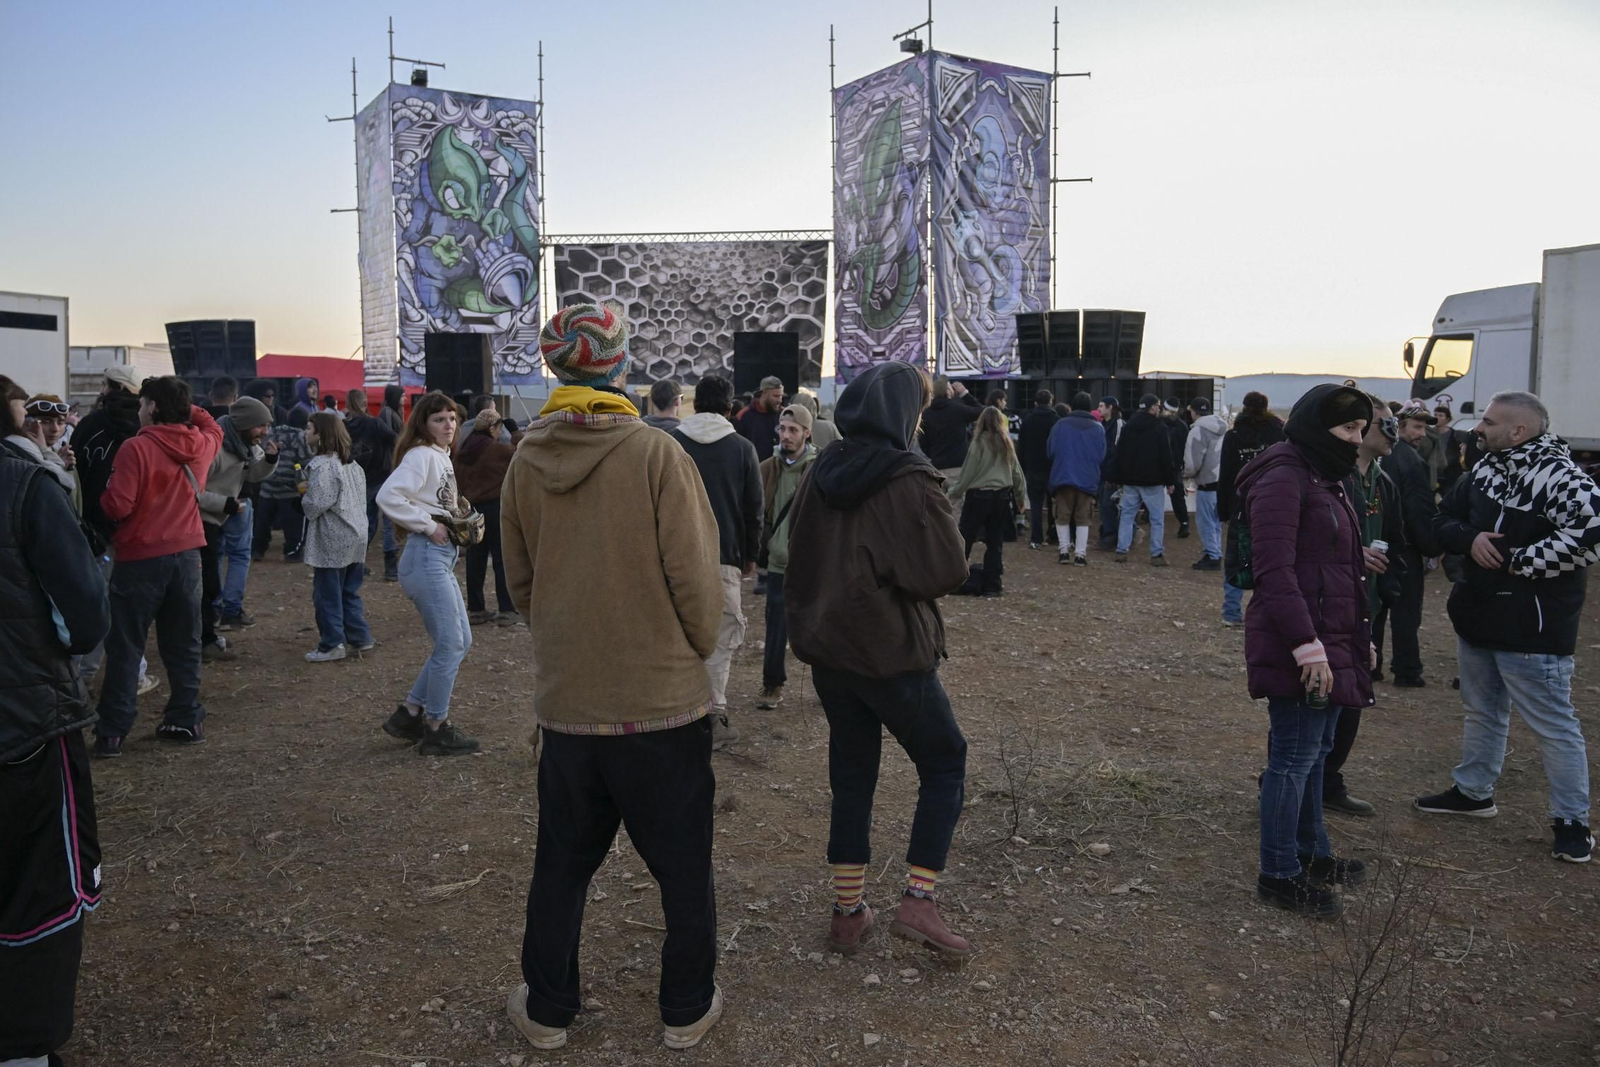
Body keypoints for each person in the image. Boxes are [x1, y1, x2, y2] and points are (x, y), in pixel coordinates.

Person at [499, 301, 725, 1052]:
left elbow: (521, 582)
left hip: (570, 707)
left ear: (557, 367)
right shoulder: (657, 455)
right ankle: (686, 1008)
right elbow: (697, 580)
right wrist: (694, 654)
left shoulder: (525, 459)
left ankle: (547, 1008)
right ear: (619, 365)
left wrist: (569, 642)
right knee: (683, 865)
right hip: (662, 706)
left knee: (561, 863)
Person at [783, 361, 973, 956]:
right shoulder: (909, 478)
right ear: (904, 414)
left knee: (852, 773)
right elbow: (945, 571)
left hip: (831, 652)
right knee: (944, 762)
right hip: (891, 655)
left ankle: (847, 912)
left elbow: (800, 554)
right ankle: (918, 902)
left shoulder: (820, 470)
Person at [1416, 391, 1598, 863]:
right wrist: (1470, 537)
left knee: (1555, 727)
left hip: (1533, 629)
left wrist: (1519, 562)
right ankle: (1473, 793)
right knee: (1483, 712)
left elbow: (1590, 535)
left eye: (1490, 424)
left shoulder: (1562, 478)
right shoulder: (1483, 471)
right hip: (1478, 617)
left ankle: (1572, 822)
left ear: (1519, 431)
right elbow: (1443, 519)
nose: (1478, 429)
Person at [0, 399, 110, 1067]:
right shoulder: (24, 484)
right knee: (38, 886)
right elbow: (84, 616)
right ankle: (21, 1049)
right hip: (23, 726)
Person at [1237, 384, 1374, 917]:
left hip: (1331, 637)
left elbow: (1341, 568)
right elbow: (1275, 571)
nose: (1356, 440)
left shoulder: (1326, 475)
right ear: (1319, 427)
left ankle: (1312, 853)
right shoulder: (1283, 477)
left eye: (1362, 430)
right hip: (1302, 640)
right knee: (1292, 758)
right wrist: (1306, 646)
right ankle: (1278, 872)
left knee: (1315, 756)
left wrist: (1357, 645)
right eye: (1347, 430)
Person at [92, 376, 224, 755]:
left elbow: (118, 506)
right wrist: (187, 408)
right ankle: (185, 719)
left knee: (126, 646)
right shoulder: (200, 445)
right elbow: (212, 425)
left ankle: (113, 731)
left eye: (141, 404)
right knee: (184, 644)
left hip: (140, 558)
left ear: (150, 406)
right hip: (186, 557)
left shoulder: (135, 448)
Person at [375, 392, 481, 756]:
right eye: (439, 419)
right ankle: (436, 727)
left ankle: (409, 712)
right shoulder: (421, 455)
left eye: (452, 418)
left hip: (438, 558)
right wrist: (426, 525)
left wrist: (456, 514)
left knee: (460, 641)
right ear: (423, 423)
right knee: (451, 644)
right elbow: (388, 496)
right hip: (426, 558)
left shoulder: (440, 456)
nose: (448, 425)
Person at [671, 375, 762, 749]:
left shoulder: (671, 444)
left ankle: (675, 713)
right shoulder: (742, 448)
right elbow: (753, 509)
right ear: (730, 407)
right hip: (725, 557)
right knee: (721, 638)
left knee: (676, 634)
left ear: (693, 405)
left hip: (674, 557)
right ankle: (713, 713)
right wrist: (750, 556)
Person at [1325, 399, 1405, 817]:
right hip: (1329, 605)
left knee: (1354, 694)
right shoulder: (1327, 478)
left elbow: (1397, 538)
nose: (1394, 431)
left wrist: (1389, 586)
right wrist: (1354, 555)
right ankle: (1290, 779)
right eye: (1385, 424)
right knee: (1316, 696)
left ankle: (1328, 778)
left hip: (1366, 605)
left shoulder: (1380, 480)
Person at [72, 368, 160, 694]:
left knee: (96, 604)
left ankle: (82, 677)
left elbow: (78, 478)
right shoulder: (148, 429)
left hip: (95, 533)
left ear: (111, 387)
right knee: (130, 611)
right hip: (140, 533)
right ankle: (134, 674)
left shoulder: (90, 426)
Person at [198, 396, 278, 656]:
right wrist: (225, 504)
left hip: (220, 515)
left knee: (211, 581)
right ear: (243, 424)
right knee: (205, 584)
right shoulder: (214, 449)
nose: (265, 432)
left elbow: (252, 472)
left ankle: (208, 634)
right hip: (200, 522)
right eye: (260, 426)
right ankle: (204, 640)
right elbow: (191, 491)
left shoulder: (244, 444)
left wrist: (269, 460)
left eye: (267, 426)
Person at [756, 403, 818, 708]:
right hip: (779, 562)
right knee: (776, 627)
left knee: (819, 626)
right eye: (782, 428)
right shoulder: (769, 466)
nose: (786, 435)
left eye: (793, 430)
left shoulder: (818, 469)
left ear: (807, 433)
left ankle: (827, 686)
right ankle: (772, 684)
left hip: (811, 564)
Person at [300, 412, 373, 663]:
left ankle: (332, 644)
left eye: (309, 428)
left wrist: (303, 498)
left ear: (321, 434)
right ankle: (360, 637)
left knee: (327, 593)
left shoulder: (322, 466)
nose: (305, 432)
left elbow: (317, 503)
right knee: (348, 591)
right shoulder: (352, 465)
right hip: (356, 533)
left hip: (334, 538)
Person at [1383, 403, 1441, 686]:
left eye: (1424, 427)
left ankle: (1370, 665)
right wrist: (1431, 546)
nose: (1422, 433)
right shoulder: (1411, 461)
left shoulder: (1380, 456)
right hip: (1405, 548)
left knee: (1375, 608)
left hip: (1378, 545)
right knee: (1406, 612)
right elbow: (1419, 510)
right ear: (1399, 426)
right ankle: (1406, 669)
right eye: (1417, 427)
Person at [1220, 392, 1285, 625]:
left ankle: (1231, 612)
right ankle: (1268, 613)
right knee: (1272, 557)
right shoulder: (1278, 434)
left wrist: (1223, 509)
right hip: (1274, 503)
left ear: (1244, 407)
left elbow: (1226, 475)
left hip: (1240, 504)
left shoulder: (1233, 436)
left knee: (1236, 557)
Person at [947, 406, 1025, 595]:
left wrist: (954, 491)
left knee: (965, 538)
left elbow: (968, 472)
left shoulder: (978, 443)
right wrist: (1020, 497)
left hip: (979, 494)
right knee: (995, 540)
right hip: (1002, 495)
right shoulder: (1007, 443)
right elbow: (1017, 473)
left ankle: (956, 580)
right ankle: (993, 584)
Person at [453, 405, 520, 626]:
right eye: (500, 427)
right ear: (493, 427)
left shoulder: (463, 452)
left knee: (475, 559)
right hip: (495, 508)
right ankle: (506, 609)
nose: (501, 432)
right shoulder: (496, 450)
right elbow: (522, 453)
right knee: (501, 559)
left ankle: (476, 609)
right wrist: (516, 432)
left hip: (472, 509)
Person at [1046, 392, 1106, 566]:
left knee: (1062, 516)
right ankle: (1080, 555)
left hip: (1063, 476)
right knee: (1084, 518)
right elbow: (1102, 455)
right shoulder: (1098, 428)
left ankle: (1064, 552)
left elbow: (1051, 451)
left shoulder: (1060, 425)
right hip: (1087, 478)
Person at [345, 387, 399, 577]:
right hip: (382, 477)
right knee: (388, 522)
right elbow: (396, 439)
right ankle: (391, 568)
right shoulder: (375, 424)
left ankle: (357, 563)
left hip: (357, 480)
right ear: (364, 404)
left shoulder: (343, 427)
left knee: (364, 523)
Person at [1115, 395, 1175, 566]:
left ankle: (1121, 550)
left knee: (1127, 515)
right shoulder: (1159, 428)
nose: (1159, 408)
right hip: (1153, 481)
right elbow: (1166, 456)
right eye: (1157, 405)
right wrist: (1170, 481)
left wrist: (1118, 477)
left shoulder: (1128, 426)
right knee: (1157, 519)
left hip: (1130, 480)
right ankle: (1156, 554)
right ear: (1152, 408)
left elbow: (1120, 453)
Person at [252, 409, 310, 563]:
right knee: (293, 524)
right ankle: (292, 552)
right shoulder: (300, 436)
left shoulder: (273, 432)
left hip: (267, 485)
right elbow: (305, 460)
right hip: (289, 489)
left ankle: (257, 550)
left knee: (263, 522)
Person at [1184, 397, 1227, 569]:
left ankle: (1212, 555)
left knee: (1205, 522)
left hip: (1206, 483)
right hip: (1222, 482)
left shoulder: (1197, 431)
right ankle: (1215, 551)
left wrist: (1187, 474)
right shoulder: (1224, 429)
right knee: (1216, 522)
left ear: (1193, 411)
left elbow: (1193, 462)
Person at [917, 376, 982, 483]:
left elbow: (923, 441)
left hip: (937, 466)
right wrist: (964, 394)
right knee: (956, 498)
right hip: (957, 466)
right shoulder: (957, 409)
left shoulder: (926, 414)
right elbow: (981, 411)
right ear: (947, 393)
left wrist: (934, 454)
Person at [1017, 389, 1060, 549]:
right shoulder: (1056, 419)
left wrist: (1022, 465)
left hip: (1032, 467)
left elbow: (1022, 445)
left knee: (1035, 504)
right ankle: (1052, 534)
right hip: (1051, 467)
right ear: (1051, 401)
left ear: (1035, 402)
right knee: (1052, 503)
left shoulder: (1028, 420)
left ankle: (1036, 538)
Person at [1096, 397, 1125, 549]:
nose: (1099, 408)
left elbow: (1115, 451)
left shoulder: (1117, 425)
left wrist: (1111, 475)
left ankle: (1111, 535)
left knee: (1109, 504)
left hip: (1110, 474)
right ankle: (1111, 533)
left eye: (1101, 406)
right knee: (1106, 504)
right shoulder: (1105, 425)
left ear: (1110, 407)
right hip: (1105, 472)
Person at [735, 375, 785, 457]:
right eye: (776, 396)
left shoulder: (784, 414)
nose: (779, 400)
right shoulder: (743, 416)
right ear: (764, 393)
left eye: (781, 396)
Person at [1162, 399, 1191, 539]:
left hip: (1164, 465)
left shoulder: (1160, 424)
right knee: (1177, 496)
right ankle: (1184, 522)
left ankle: (1149, 516)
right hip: (1175, 466)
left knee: (1153, 492)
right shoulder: (1182, 426)